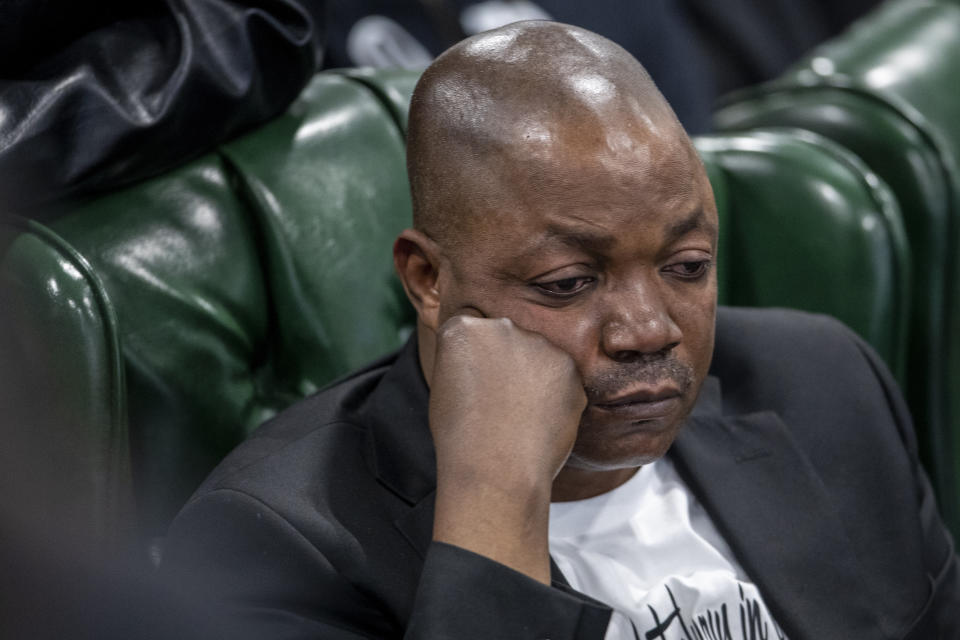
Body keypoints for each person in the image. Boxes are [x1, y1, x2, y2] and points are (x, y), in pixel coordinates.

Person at [161, 21, 960, 639]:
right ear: (428, 280)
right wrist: (496, 501)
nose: (649, 330)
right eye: (569, 283)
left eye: (686, 266)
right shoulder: (279, 546)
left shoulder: (823, 381)